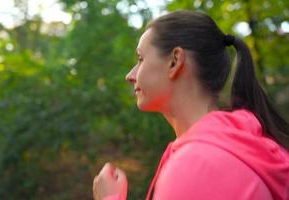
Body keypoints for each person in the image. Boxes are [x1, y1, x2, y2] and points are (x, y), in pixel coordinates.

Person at [92, 10, 289, 200]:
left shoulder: (199, 164)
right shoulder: (236, 144)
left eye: (141, 59)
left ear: (175, 61)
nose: (130, 76)